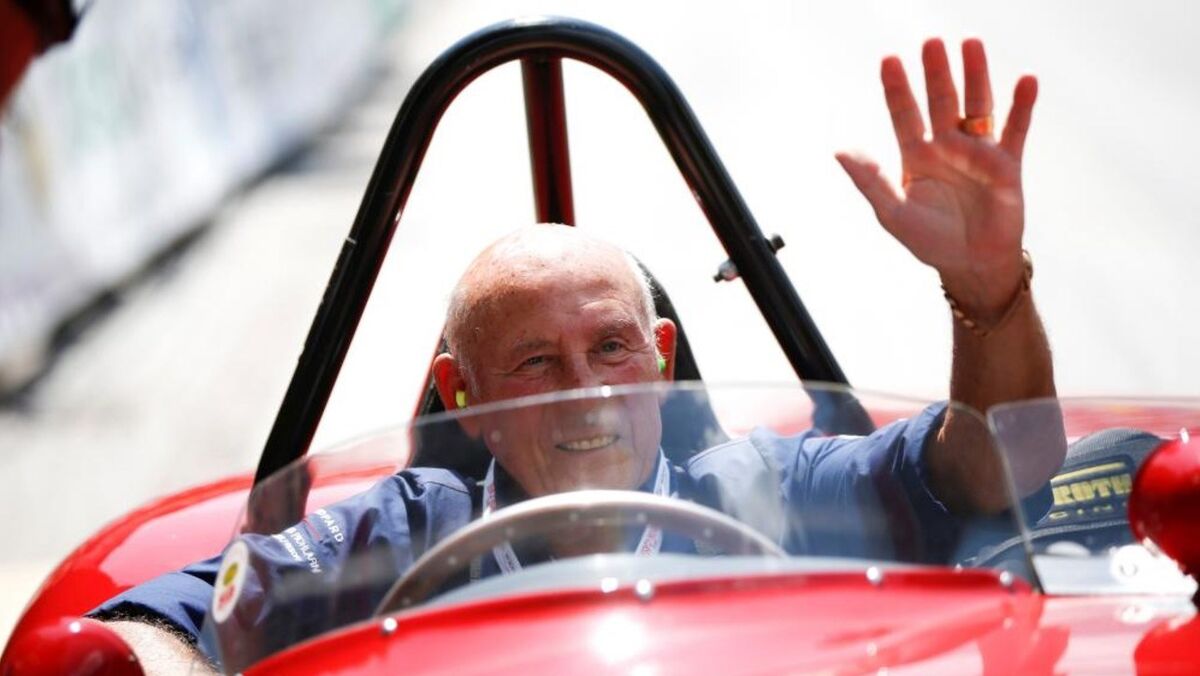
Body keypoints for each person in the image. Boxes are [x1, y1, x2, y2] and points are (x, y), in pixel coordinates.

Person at [90, 37, 1058, 672]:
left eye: (610, 348)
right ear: (461, 395)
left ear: (660, 358)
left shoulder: (772, 490)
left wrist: (987, 287)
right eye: (535, 364)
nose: (585, 390)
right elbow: (167, 617)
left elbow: (999, 468)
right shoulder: (400, 530)